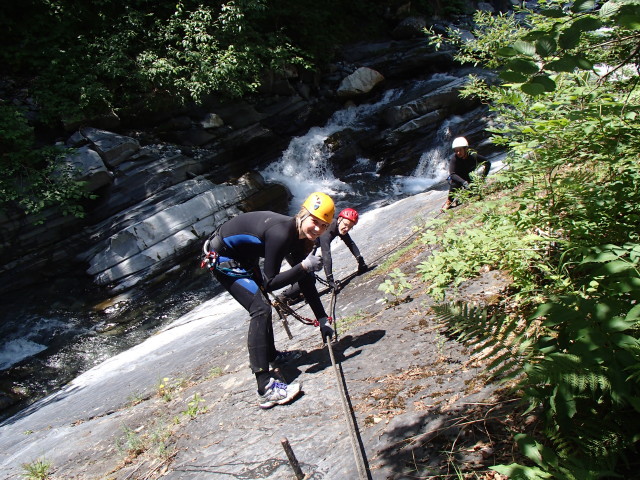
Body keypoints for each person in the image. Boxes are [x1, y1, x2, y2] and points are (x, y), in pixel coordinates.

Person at [201, 192, 336, 409]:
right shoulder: (282, 233)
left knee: (263, 304)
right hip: (223, 257)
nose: (318, 229)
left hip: (244, 257)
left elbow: (305, 281)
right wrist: (303, 266)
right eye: (315, 221)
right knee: (260, 309)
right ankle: (265, 388)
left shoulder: (299, 237)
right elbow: (270, 283)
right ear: (303, 214)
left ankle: (272, 356)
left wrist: (322, 320)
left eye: (324, 225)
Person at [279, 207, 367, 300]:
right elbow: (326, 254)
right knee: (309, 278)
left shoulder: (339, 227)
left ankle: (295, 293)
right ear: (339, 219)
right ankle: (283, 297)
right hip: (293, 249)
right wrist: (330, 280)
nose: (346, 228)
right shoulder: (328, 228)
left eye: (350, 227)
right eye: (345, 225)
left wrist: (360, 261)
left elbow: (350, 243)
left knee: (304, 276)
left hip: (301, 248)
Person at [442, 136, 491, 211]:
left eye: (460, 150)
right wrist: (463, 182)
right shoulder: (454, 159)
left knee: (472, 195)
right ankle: (449, 202)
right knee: (454, 183)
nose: (458, 153)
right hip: (460, 180)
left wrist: (483, 177)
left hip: (471, 178)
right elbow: (452, 175)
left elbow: (487, 162)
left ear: (465, 149)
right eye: (456, 151)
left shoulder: (473, 156)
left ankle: (469, 192)